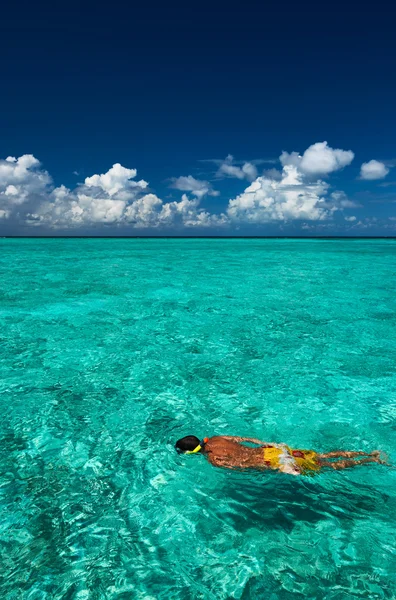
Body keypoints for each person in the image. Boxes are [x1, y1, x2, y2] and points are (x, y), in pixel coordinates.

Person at [175, 435, 384, 476]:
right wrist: (267, 444)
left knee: (325, 466)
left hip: (270, 461)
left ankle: (370, 461)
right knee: (321, 455)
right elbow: (245, 439)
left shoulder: (214, 460)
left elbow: (244, 467)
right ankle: (367, 453)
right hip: (271, 450)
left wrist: (269, 470)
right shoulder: (217, 438)